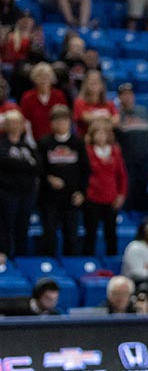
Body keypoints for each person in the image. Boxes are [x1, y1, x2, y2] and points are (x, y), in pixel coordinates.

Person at [37, 104, 88, 256]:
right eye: (56, 120)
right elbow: (39, 169)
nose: (60, 123)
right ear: (51, 123)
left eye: (64, 120)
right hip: (49, 198)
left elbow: (85, 170)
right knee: (50, 235)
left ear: (69, 122)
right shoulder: (44, 143)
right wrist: (48, 178)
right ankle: (51, 266)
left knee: (71, 236)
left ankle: (70, 269)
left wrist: (82, 192)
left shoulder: (77, 143)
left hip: (72, 198)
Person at [83, 118, 127, 257]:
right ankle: (88, 260)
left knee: (111, 233)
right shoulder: (87, 151)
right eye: (98, 133)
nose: (101, 136)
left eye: (104, 133)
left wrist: (121, 194)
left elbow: (122, 175)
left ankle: (111, 260)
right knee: (91, 232)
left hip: (111, 198)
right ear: (92, 135)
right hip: (92, 198)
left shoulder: (115, 151)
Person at [0, 109, 39, 258]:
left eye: (18, 123)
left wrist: (19, 165)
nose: (15, 126)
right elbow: (5, 162)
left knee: (23, 229)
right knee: (6, 228)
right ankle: (7, 260)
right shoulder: (2, 145)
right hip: (7, 194)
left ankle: (21, 260)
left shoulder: (28, 145)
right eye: (12, 123)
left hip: (27, 193)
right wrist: (26, 164)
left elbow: (38, 166)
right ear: (6, 125)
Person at [116, 83, 148, 211]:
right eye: (124, 95)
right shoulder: (117, 115)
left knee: (143, 186)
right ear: (119, 97)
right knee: (128, 187)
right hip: (126, 159)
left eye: (130, 94)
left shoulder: (144, 112)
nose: (127, 97)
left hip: (144, 157)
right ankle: (127, 216)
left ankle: (142, 218)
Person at [20, 62, 68, 142]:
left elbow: (64, 117)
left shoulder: (59, 95)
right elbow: (26, 122)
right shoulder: (27, 97)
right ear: (34, 79)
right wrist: (30, 141)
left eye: (47, 76)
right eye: (40, 77)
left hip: (56, 139)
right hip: (35, 138)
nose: (44, 80)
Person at [73, 69, 118, 135]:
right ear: (85, 84)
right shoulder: (79, 102)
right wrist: (106, 117)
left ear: (102, 84)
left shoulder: (109, 103)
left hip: (106, 139)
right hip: (85, 138)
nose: (94, 83)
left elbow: (116, 120)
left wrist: (95, 117)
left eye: (97, 80)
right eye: (91, 81)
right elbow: (85, 117)